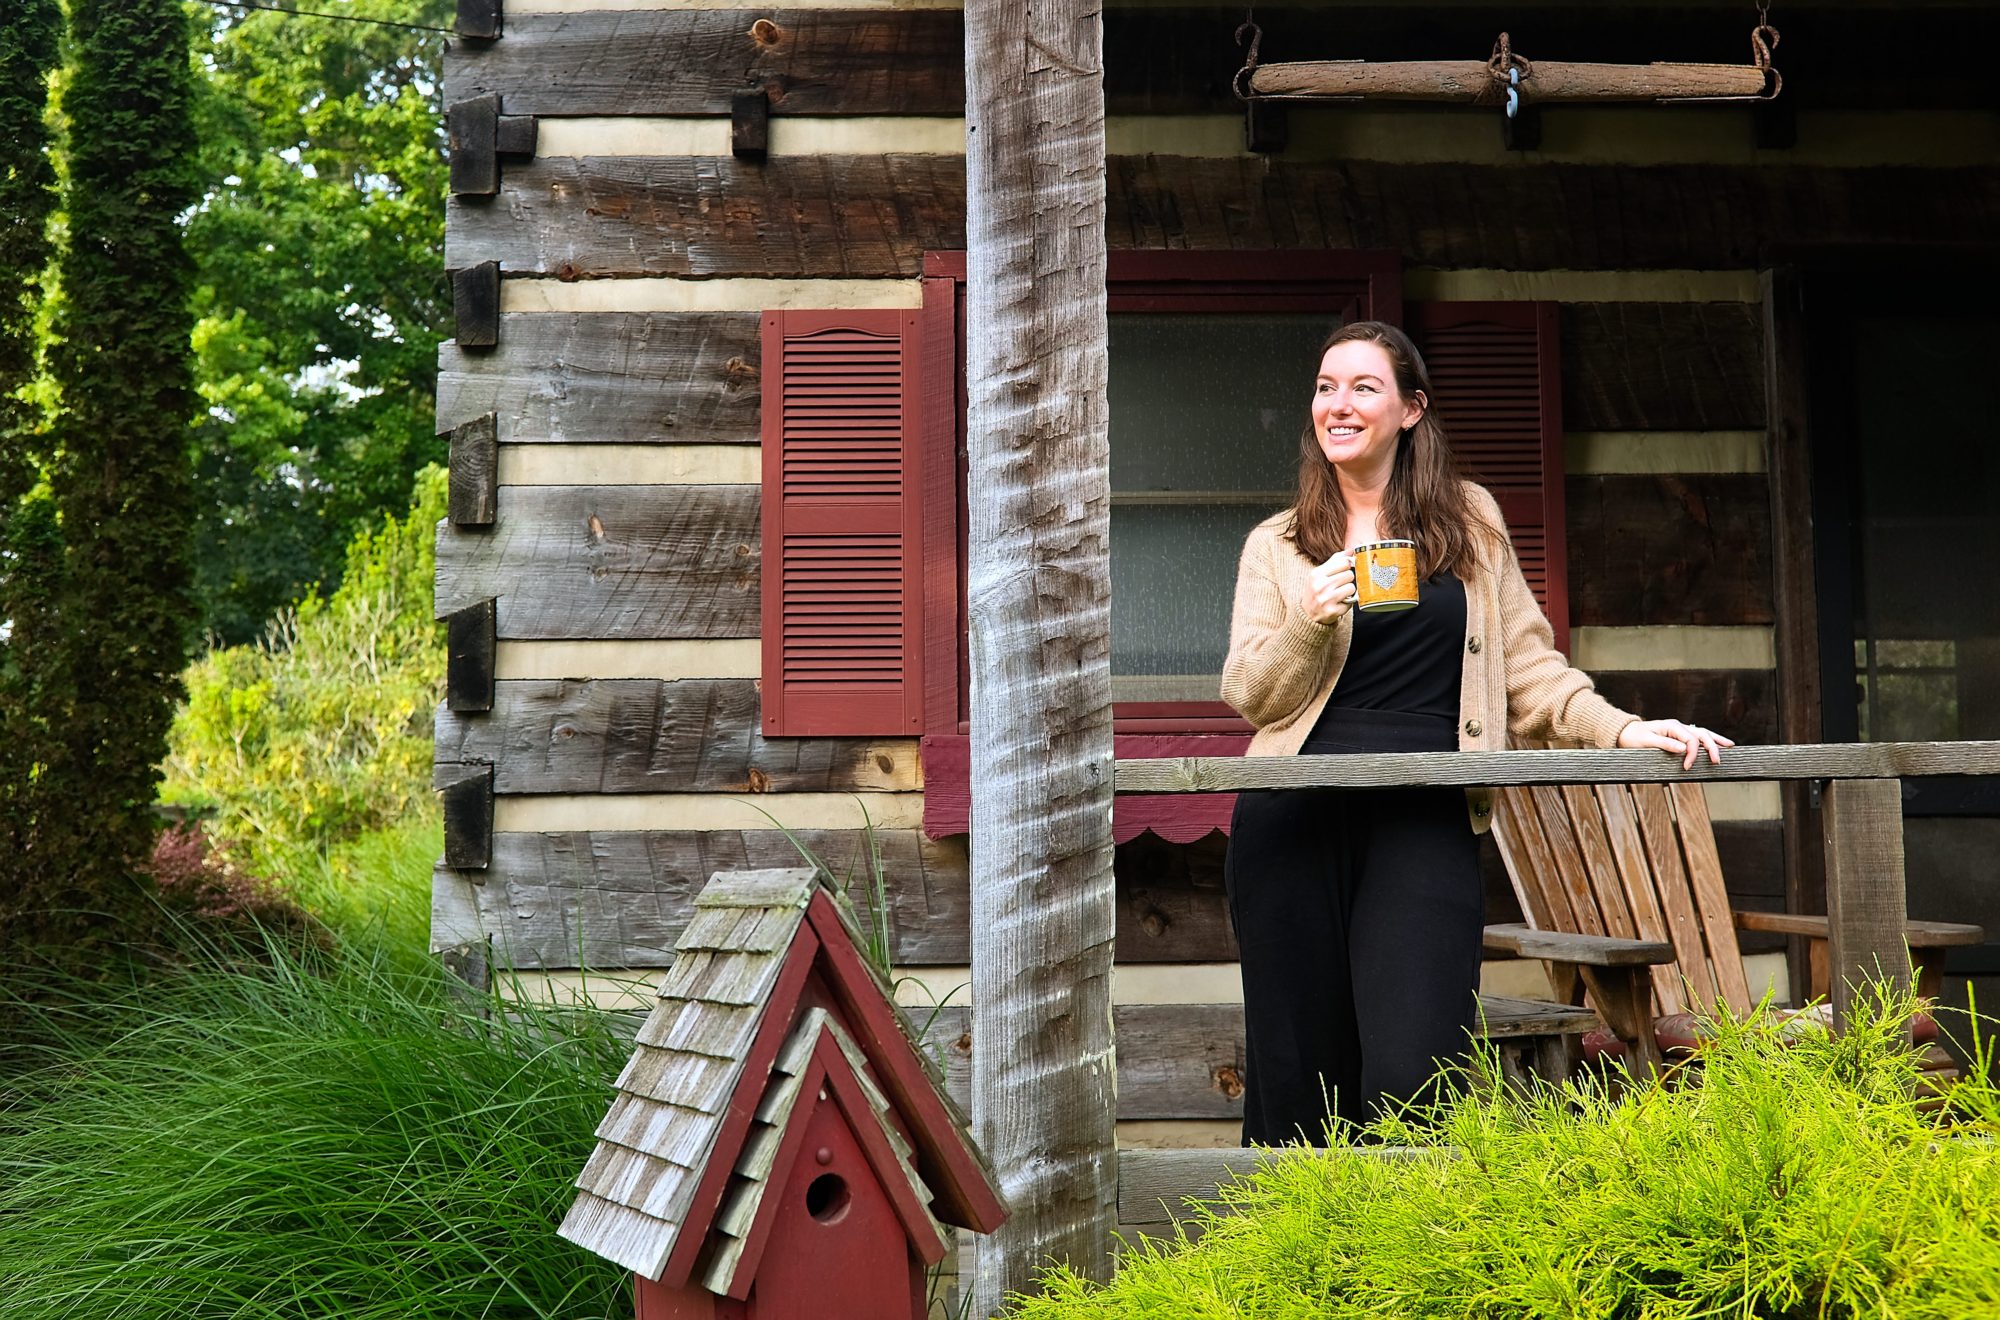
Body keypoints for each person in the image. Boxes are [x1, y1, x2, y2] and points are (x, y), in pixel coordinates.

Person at [1219, 320, 1732, 1147]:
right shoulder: (1278, 546)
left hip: (1424, 815)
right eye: (1324, 387)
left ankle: (1406, 1261)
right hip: (1294, 816)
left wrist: (1625, 729)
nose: (1337, 405)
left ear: (1411, 410)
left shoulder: (1471, 524)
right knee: (1300, 1079)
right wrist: (1310, 619)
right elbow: (1250, 696)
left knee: (1414, 1074)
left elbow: (1529, 673)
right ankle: (1306, 1272)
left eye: (1362, 388)